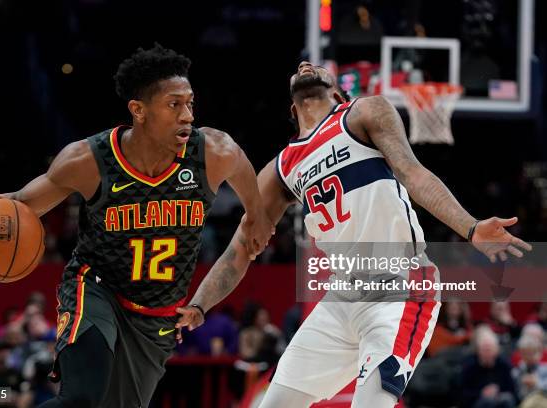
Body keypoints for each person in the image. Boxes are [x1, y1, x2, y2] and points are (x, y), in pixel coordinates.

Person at [176, 61, 531, 407]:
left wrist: (470, 226)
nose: (304, 65)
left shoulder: (362, 114)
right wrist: (199, 303)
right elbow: (241, 247)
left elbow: (414, 174)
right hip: (342, 297)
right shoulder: (282, 167)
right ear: (292, 107)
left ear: (338, 92)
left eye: (315, 67)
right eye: (300, 66)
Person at [0, 44, 274, 407]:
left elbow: (249, 193)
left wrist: (257, 217)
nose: (187, 115)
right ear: (138, 110)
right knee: (82, 399)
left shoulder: (214, 153)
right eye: (174, 104)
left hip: (156, 315)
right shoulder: (88, 160)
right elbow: (21, 205)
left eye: (190, 103)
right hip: (97, 289)